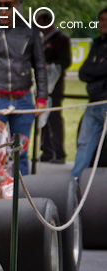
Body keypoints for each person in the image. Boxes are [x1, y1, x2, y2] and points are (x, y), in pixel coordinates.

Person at [0, 0, 47, 175]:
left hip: (24, 99)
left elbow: (40, 65)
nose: (3, 10)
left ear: (17, 5)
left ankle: (20, 191)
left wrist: (42, 97)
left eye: (8, 5)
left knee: (21, 153)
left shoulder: (30, 30)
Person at [71, 7, 107, 179]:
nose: (103, 23)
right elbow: (83, 72)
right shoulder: (97, 44)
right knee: (84, 144)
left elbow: (98, 69)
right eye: (101, 19)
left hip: (105, 101)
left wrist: (96, 70)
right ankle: (75, 185)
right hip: (93, 102)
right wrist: (98, 70)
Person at [37, 11, 71, 164]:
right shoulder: (41, 39)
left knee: (54, 117)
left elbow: (66, 61)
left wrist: (49, 66)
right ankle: (46, 151)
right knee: (42, 117)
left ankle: (58, 152)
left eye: (41, 24)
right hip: (42, 85)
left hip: (55, 86)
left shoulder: (61, 39)